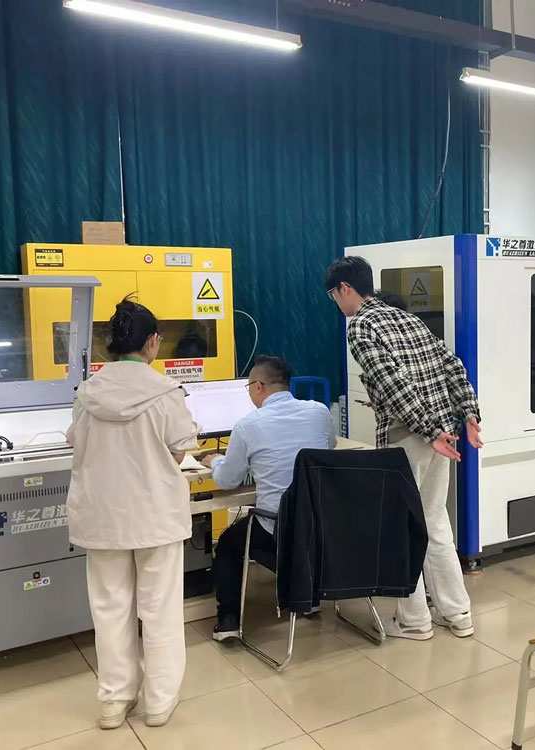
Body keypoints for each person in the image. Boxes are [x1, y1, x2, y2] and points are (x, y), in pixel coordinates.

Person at [325, 256, 482, 641]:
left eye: (334, 295)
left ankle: (414, 621)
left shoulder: (360, 325)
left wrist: (427, 430)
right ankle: (458, 613)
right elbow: (452, 365)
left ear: (345, 288)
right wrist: (469, 414)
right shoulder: (408, 319)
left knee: (401, 525)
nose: (336, 303)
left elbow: (392, 382)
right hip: (442, 434)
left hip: (410, 438)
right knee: (435, 521)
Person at [66, 297, 199, 731]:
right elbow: (179, 451)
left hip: (101, 517)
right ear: (153, 342)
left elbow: (77, 444)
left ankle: (114, 700)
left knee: (109, 610)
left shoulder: (88, 393)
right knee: (159, 609)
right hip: (155, 516)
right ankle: (158, 702)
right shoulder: (165, 393)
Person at [201, 355, 334, 641]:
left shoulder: (248, 426)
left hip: (277, 527)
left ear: (258, 386)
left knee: (228, 544)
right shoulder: (320, 412)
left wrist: (214, 461)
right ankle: (307, 597)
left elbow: (227, 480)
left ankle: (228, 622)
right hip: (319, 524)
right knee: (292, 533)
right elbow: (328, 447)